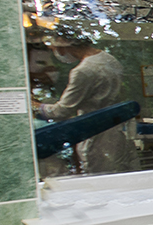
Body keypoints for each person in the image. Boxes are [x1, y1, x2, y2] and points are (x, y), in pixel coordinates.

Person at [33, 28, 136, 175]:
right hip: (117, 132)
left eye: (55, 49)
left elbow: (62, 111)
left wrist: (36, 106)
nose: (57, 53)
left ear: (63, 46)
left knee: (100, 177)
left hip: (96, 135)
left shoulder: (83, 71)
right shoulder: (109, 59)